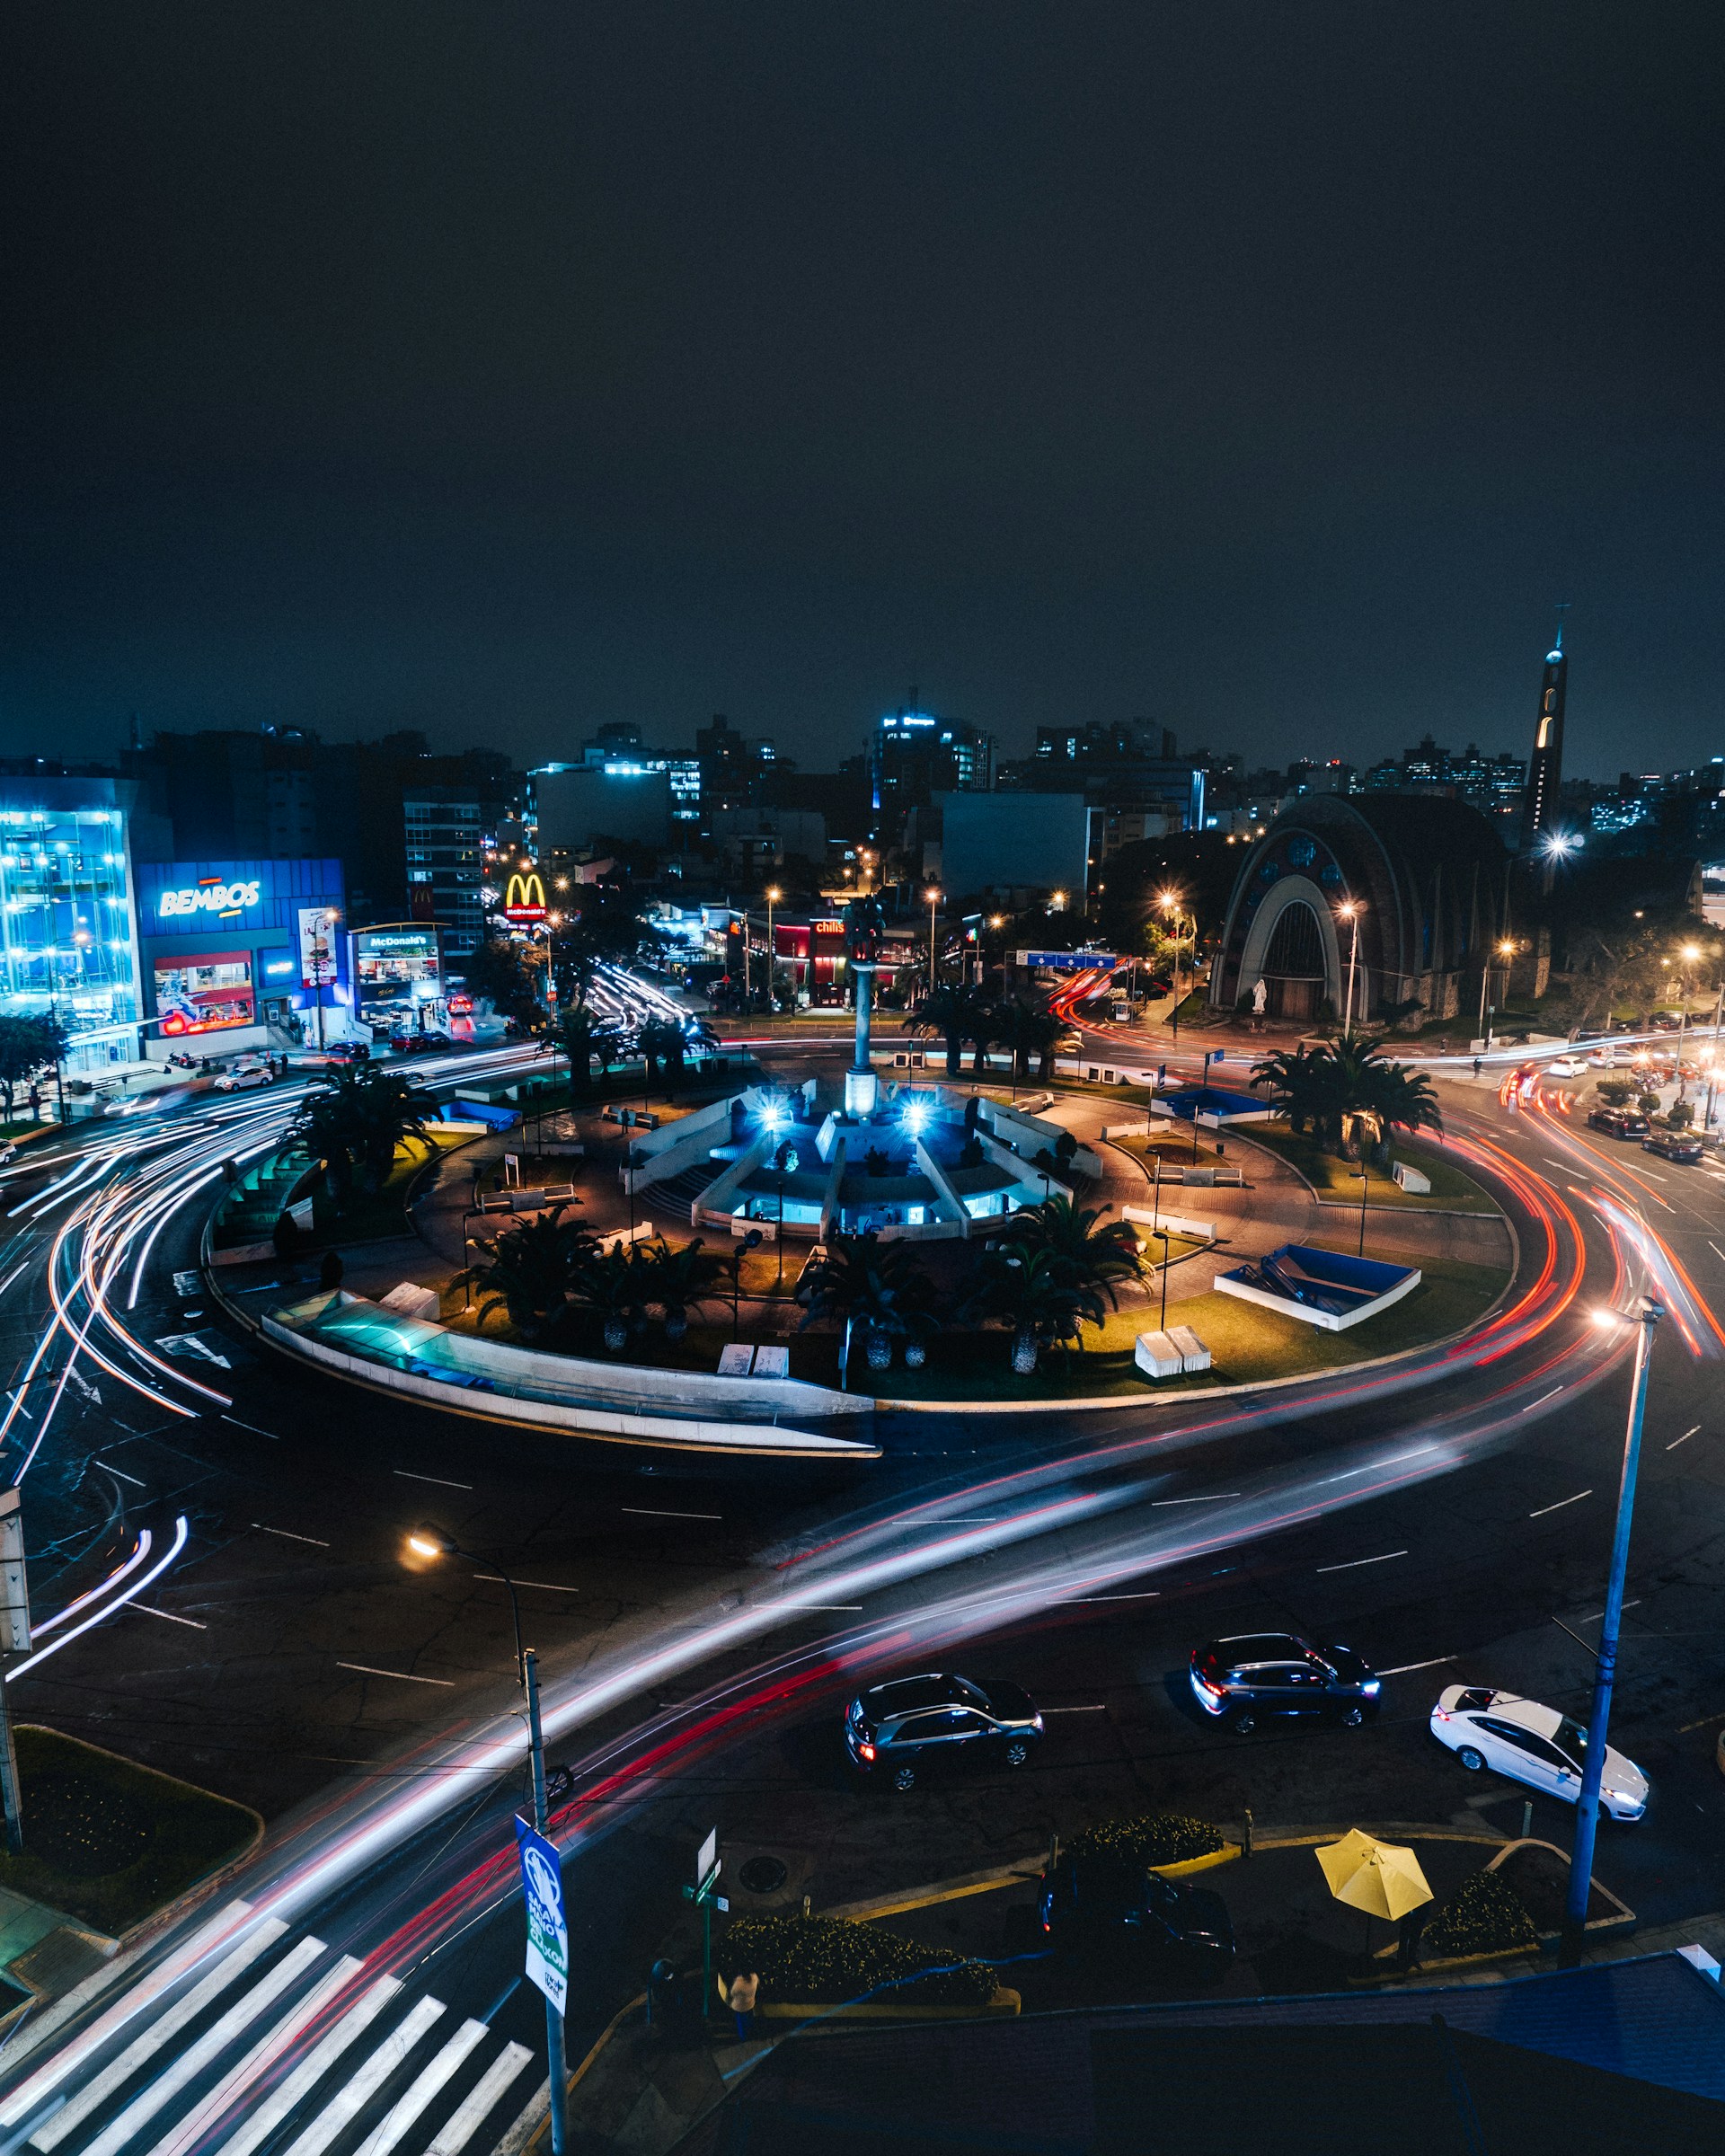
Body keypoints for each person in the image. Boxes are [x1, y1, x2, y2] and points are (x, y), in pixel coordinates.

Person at [726, 1966, 758, 2040]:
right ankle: (751, 2032)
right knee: (749, 2019)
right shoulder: (754, 1978)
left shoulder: (739, 1985)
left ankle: (743, 2037)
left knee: (741, 2023)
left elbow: (732, 1993)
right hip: (750, 2004)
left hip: (740, 2007)